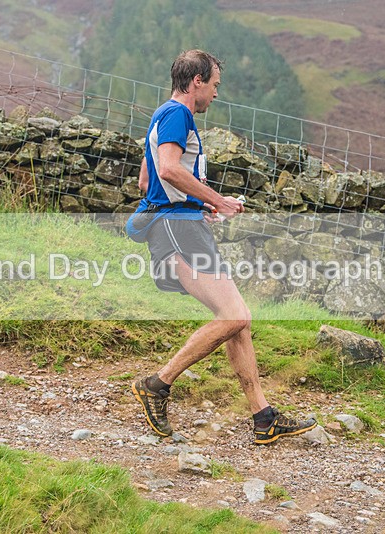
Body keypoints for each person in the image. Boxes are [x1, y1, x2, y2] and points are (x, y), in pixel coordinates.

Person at [130, 49, 317, 445]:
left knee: (236, 320)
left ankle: (263, 418)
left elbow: (146, 180)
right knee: (235, 316)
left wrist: (196, 204)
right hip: (178, 230)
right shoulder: (178, 114)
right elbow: (166, 169)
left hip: (182, 225)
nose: (216, 93)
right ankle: (157, 384)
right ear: (197, 80)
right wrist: (216, 201)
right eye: (214, 85)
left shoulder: (162, 115)